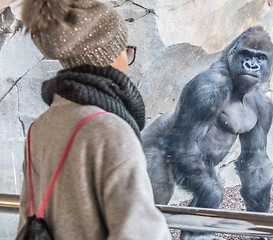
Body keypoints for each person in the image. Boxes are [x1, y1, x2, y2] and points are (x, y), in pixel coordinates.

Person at [17, 0, 171, 239]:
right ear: (109, 56)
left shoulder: (40, 126)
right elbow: (141, 233)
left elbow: (28, 217)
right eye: (124, 49)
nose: (126, 59)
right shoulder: (110, 130)